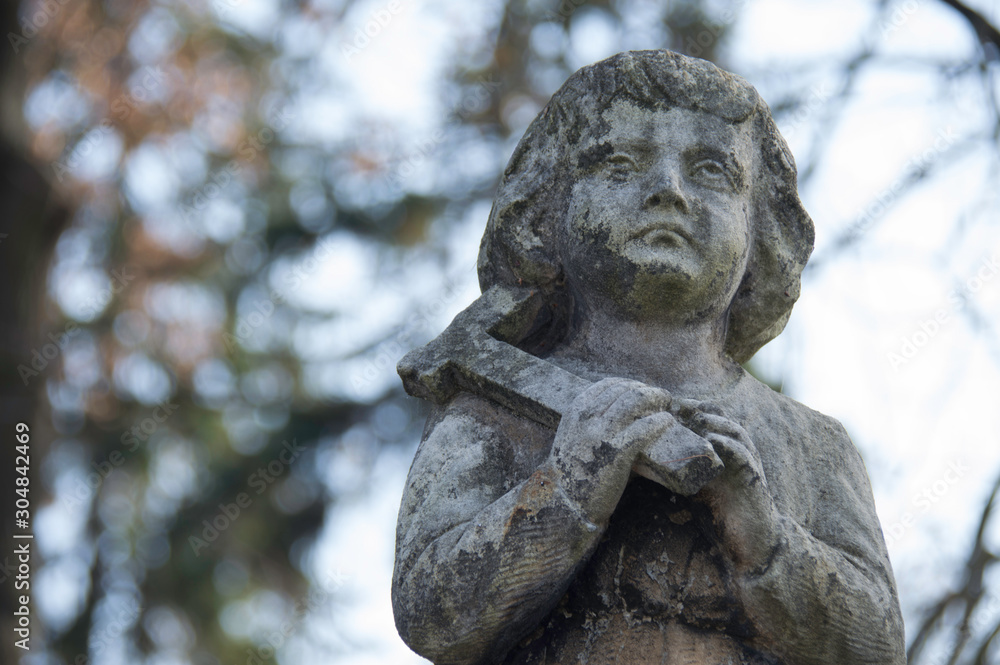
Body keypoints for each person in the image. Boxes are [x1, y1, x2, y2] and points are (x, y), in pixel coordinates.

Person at [392, 50, 906, 665]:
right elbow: (430, 614)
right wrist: (566, 492)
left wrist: (766, 538)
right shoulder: (489, 413)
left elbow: (877, 642)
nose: (668, 188)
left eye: (713, 170)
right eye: (618, 163)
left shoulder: (814, 446)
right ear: (547, 212)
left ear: (761, 227)